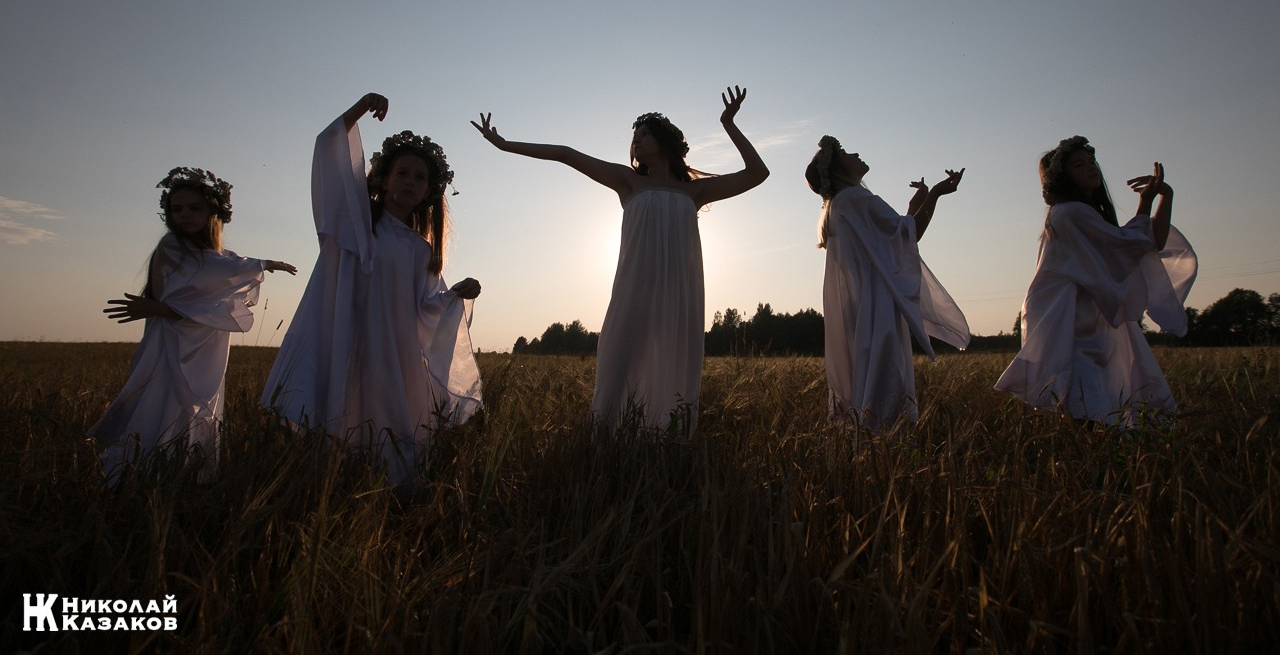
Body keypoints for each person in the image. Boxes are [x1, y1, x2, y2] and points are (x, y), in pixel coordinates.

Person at [472, 86, 768, 434]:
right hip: (634, 288)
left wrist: (728, 124)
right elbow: (565, 154)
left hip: (679, 294)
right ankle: (607, 437)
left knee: (673, 361)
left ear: (665, 141)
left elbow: (757, 173)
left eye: (645, 134)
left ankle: (666, 437)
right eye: (635, 136)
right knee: (621, 359)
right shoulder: (627, 181)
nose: (637, 141)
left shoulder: (694, 191)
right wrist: (505, 145)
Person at [262, 93, 483, 483]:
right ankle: (339, 483)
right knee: (345, 409)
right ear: (383, 178)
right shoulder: (355, 226)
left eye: (419, 177)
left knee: (394, 420)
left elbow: (427, 306)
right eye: (403, 173)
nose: (410, 182)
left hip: (396, 354)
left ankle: (393, 490)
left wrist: (455, 296)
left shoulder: (420, 248)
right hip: (350, 339)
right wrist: (361, 108)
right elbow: (328, 147)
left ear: (430, 190)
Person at [92, 167, 296, 481]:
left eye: (194, 208)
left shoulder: (214, 254)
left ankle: (187, 475)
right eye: (177, 209)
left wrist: (259, 264)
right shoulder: (173, 247)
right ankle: (138, 475)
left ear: (212, 213)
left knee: (197, 405)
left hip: (203, 344)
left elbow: (220, 268)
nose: (184, 215)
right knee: (164, 400)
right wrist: (264, 264)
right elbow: (212, 274)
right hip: (171, 342)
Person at [994, 135, 1197, 426]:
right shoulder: (1071, 213)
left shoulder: (1084, 214)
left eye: (1090, 161)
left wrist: (1162, 196)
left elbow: (1144, 243)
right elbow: (1130, 246)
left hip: (1086, 315)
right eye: (1079, 165)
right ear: (1063, 178)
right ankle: (1091, 458)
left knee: (1092, 394)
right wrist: (1149, 201)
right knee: (1085, 394)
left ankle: (1096, 456)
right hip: (1071, 319)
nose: (1091, 168)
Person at [805, 135, 970, 431]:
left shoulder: (839, 205)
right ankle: (885, 443)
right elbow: (909, 236)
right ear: (838, 169)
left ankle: (868, 445)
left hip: (861, 306)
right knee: (885, 376)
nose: (854, 153)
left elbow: (889, 242)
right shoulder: (856, 198)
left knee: (868, 373)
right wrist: (936, 195)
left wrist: (913, 206)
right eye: (845, 152)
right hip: (876, 306)